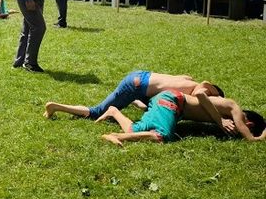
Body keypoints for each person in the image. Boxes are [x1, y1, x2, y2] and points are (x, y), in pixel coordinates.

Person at [98, 88, 266, 146]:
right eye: (245, 127)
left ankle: (113, 111)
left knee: (134, 129)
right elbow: (200, 94)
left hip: (169, 102)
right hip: (172, 101)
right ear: (249, 123)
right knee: (162, 137)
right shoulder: (234, 107)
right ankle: (115, 136)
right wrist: (220, 120)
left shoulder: (228, 109)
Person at [43, 71, 223, 120]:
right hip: (136, 85)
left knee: (146, 106)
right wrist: (219, 119)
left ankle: (133, 100)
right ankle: (55, 107)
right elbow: (201, 93)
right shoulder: (202, 89)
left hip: (140, 77)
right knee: (97, 112)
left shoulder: (188, 81)